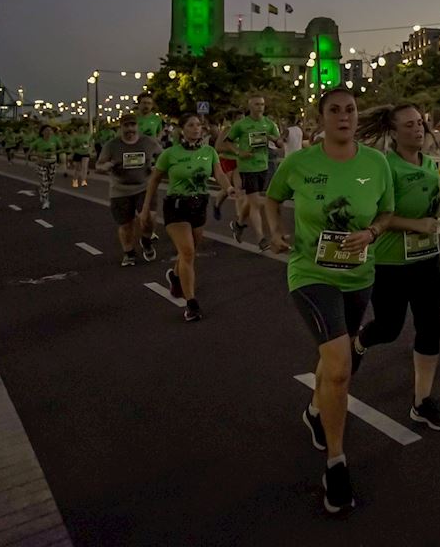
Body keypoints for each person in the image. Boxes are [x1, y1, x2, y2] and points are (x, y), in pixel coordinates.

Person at [265, 88, 393, 514]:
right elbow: (271, 198)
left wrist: (372, 233)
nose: (344, 116)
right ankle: (336, 463)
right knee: (339, 365)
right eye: (334, 110)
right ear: (320, 118)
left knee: (337, 352)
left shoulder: (376, 163)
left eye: (350, 110)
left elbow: (386, 214)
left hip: (359, 273)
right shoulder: (299, 162)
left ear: (358, 117)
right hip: (311, 273)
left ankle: (316, 409)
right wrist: (275, 231)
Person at [350, 103, 440, 431]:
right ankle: (359, 342)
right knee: (389, 327)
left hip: (427, 259)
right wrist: (414, 224)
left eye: (421, 123)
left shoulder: (428, 163)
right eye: (410, 125)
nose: (419, 129)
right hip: (390, 263)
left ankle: (421, 402)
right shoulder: (386, 166)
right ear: (394, 132)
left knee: (430, 327)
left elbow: (427, 198)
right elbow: (376, 215)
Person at [141, 113, 234, 322]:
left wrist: (228, 188)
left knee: (188, 253)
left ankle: (175, 276)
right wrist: (146, 208)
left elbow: (218, 173)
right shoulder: (170, 154)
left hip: (199, 205)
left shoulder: (209, 152)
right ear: (182, 129)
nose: (195, 129)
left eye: (198, 125)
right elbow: (154, 180)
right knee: (188, 252)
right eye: (191, 125)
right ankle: (191, 303)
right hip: (176, 206)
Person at [219, 95, 288, 252]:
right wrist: (239, 152)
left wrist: (274, 139)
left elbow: (279, 143)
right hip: (247, 167)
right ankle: (261, 239)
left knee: (252, 201)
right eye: (257, 104)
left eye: (262, 104)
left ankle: (238, 223)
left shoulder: (268, 123)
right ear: (250, 106)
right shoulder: (241, 125)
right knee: (256, 202)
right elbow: (227, 141)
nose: (260, 107)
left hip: (264, 166)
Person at [95, 114, 162, 266]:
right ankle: (129, 253)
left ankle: (146, 240)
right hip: (120, 190)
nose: (130, 129)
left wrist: (157, 167)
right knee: (126, 224)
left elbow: (163, 156)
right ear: (121, 127)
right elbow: (99, 165)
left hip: (144, 187)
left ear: (137, 126)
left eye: (133, 125)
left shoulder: (148, 142)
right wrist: (104, 167)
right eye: (126, 126)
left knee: (149, 218)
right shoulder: (112, 145)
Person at [27, 124, 65, 210]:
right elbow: (29, 152)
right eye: (47, 130)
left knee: (50, 182)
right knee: (44, 182)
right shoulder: (38, 141)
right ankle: (45, 201)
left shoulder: (55, 139)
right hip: (41, 163)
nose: (49, 132)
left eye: (50, 130)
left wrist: (54, 152)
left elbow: (62, 149)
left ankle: (42, 192)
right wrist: (39, 154)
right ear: (42, 132)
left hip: (52, 163)